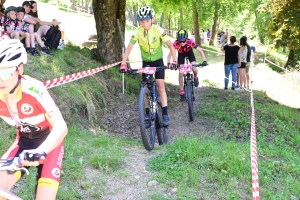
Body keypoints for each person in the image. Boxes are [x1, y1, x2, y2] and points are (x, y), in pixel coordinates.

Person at [0, 39, 68, 200]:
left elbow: (61, 126)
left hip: (51, 146)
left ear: (20, 69)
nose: (0, 79)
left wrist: (41, 151)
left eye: (6, 72)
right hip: (23, 143)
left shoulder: (33, 89)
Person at [120, 6, 177, 126]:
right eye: (141, 21)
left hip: (158, 62)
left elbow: (171, 46)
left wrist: (174, 61)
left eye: (146, 20)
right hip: (146, 62)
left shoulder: (158, 30)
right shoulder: (138, 32)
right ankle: (146, 113)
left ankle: (165, 114)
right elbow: (129, 48)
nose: (144, 24)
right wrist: (123, 63)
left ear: (152, 19)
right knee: (144, 87)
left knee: (160, 86)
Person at [167, 30, 207, 101]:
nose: (182, 43)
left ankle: (195, 76)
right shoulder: (176, 43)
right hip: (181, 55)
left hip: (189, 53)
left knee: (194, 68)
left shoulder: (190, 41)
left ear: (186, 39)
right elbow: (169, 55)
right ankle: (182, 92)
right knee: (181, 73)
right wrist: (169, 63)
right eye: (180, 41)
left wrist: (204, 61)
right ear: (177, 40)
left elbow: (200, 50)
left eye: (184, 41)